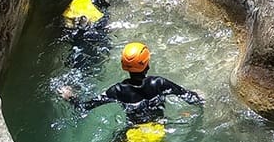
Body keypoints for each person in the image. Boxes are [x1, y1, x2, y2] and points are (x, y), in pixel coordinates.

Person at [58, 41, 203, 124]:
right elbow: (191, 98)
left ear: (123, 65)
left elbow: (84, 107)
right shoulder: (159, 83)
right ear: (147, 64)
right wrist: (199, 95)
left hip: (133, 133)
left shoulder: (117, 91)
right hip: (158, 128)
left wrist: (70, 97)